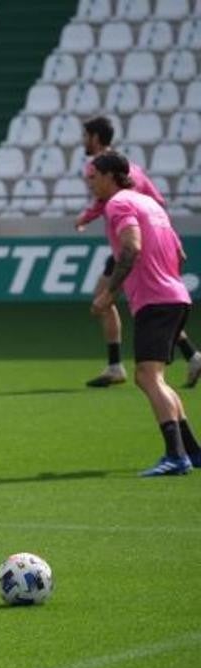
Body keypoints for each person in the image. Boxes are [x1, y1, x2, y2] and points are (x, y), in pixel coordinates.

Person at [88, 151, 198, 477]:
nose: (90, 183)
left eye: (94, 177)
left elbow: (131, 247)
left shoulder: (119, 204)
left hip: (156, 301)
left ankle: (176, 457)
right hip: (176, 295)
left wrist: (108, 294)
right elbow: (180, 251)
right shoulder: (147, 203)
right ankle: (191, 451)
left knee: (147, 377)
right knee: (156, 378)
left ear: (110, 176)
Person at [75, 117, 201, 388]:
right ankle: (192, 355)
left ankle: (115, 365)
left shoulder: (102, 169)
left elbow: (103, 203)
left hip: (133, 245)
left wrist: (84, 217)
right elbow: (157, 201)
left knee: (113, 298)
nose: (83, 140)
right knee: (152, 305)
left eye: (85, 135)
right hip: (148, 241)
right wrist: (170, 237)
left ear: (95, 138)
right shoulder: (131, 168)